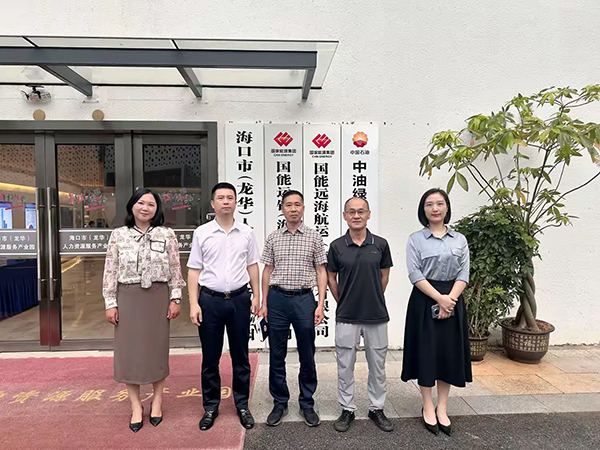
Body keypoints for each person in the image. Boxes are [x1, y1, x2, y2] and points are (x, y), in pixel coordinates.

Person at [103, 188, 185, 433]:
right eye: (141, 203)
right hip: (128, 297)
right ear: (132, 206)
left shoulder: (167, 234)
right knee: (130, 352)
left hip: (158, 297)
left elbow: (175, 268)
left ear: (157, 209)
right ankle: (136, 406)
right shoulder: (119, 235)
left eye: (151, 204)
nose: (145, 208)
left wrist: (176, 298)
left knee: (156, 350)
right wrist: (110, 302)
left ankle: (157, 401)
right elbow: (110, 270)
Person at [187, 182, 260, 431]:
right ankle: (210, 407)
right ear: (213, 203)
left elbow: (252, 265)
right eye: (221, 198)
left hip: (239, 300)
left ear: (236, 202)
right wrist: (193, 303)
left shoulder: (246, 232)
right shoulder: (202, 233)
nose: (226, 201)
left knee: (241, 356)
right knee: (210, 358)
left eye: (230, 197)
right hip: (210, 301)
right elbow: (194, 270)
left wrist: (257, 296)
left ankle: (242, 405)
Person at [401, 188, 472, 437]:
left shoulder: (459, 239)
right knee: (426, 353)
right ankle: (427, 405)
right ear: (423, 209)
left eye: (440, 203)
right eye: (429, 204)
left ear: (446, 207)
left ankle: (442, 407)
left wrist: (449, 300)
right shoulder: (415, 239)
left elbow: (464, 272)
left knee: (447, 354)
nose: (435, 208)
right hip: (424, 300)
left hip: (453, 299)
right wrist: (440, 299)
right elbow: (414, 273)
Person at [259, 190, 327, 427]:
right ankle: (280, 402)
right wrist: (264, 303)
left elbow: (321, 270)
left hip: (304, 300)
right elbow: (267, 271)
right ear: (282, 209)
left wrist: (320, 304)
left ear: (304, 208)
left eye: (297, 204)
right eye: (288, 205)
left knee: (307, 353)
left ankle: (307, 402)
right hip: (277, 299)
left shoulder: (314, 237)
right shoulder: (273, 237)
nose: (293, 209)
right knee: (276, 354)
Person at [327, 197, 394, 433]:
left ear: (368, 214)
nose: (356, 215)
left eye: (361, 211)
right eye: (352, 212)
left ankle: (377, 408)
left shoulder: (381, 244)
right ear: (345, 216)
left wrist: (372, 296)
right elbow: (331, 278)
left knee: (378, 366)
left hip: (376, 314)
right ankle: (347, 408)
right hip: (347, 315)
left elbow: (384, 276)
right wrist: (344, 300)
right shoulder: (337, 246)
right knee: (345, 365)